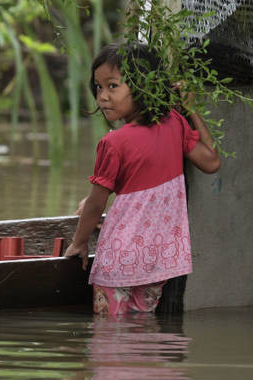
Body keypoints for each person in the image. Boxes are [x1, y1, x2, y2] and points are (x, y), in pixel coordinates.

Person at [64, 43, 221, 315]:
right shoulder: (175, 123)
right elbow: (212, 161)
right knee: (143, 335)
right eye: (99, 87)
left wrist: (78, 243)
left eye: (112, 86)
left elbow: (96, 204)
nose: (102, 97)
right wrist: (191, 109)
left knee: (109, 338)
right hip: (159, 261)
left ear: (141, 86)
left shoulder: (113, 143)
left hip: (120, 258)